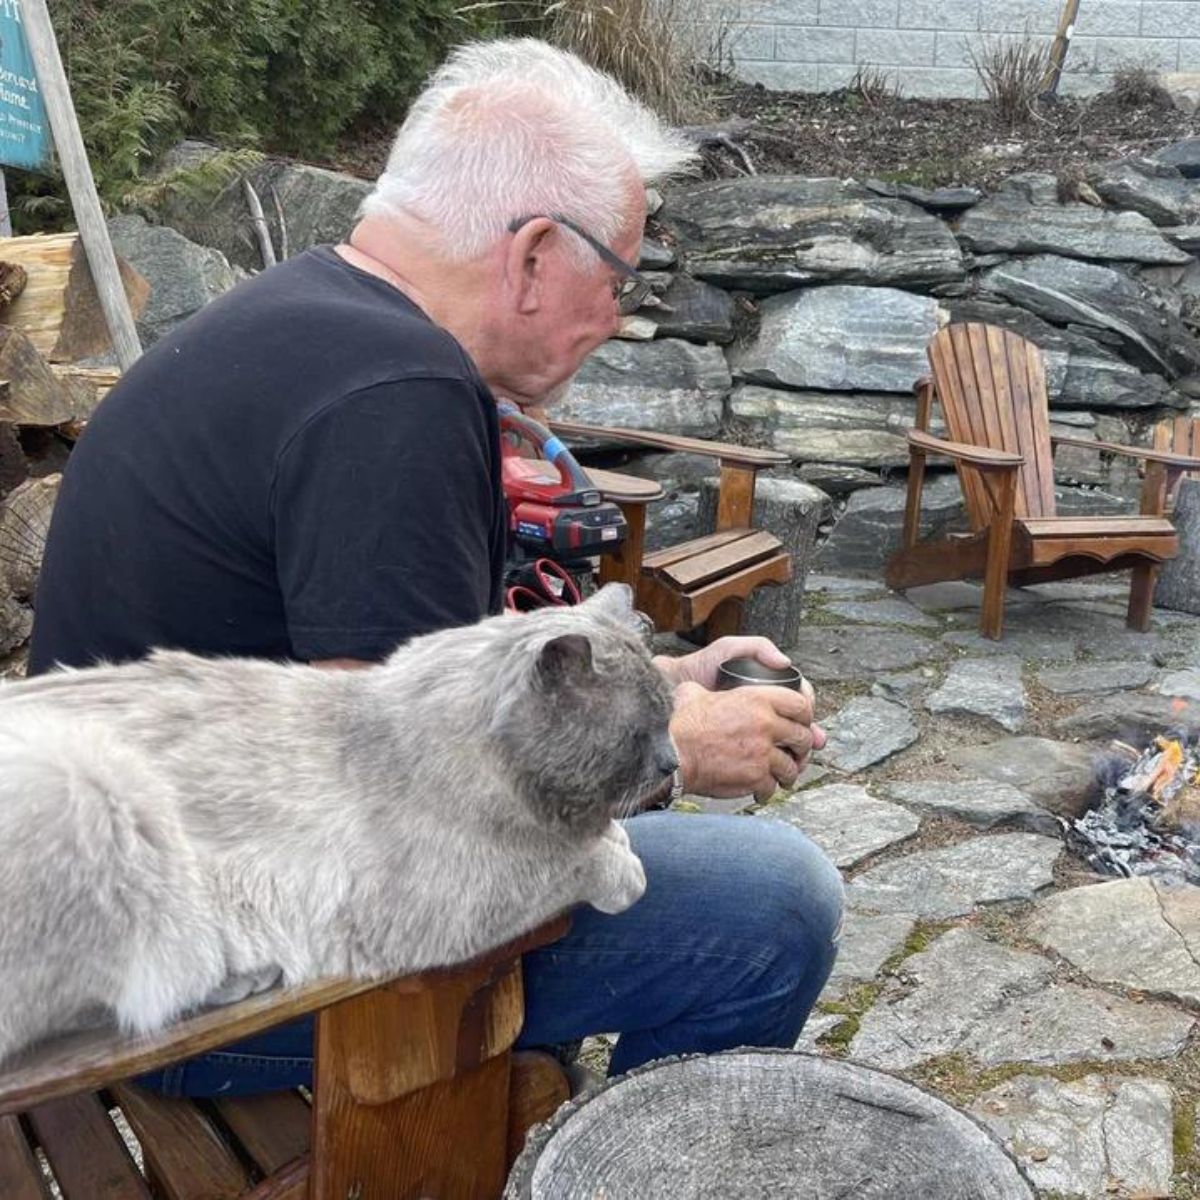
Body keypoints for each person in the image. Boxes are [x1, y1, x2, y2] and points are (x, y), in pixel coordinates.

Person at [27, 38, 843, 1095]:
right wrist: (670, 748)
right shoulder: (395, 396)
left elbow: (418, 681)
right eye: (621, 275)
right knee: (775, 907)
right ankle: (620, 1159)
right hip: (190, 999)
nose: (620, 315)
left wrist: (656, 688)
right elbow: (413, 812)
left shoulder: (301, 323)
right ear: (539, 254)